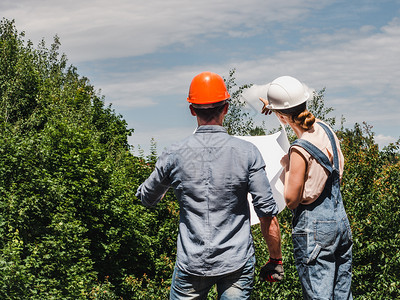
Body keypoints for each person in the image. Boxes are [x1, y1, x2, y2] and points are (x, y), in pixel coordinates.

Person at [136, 71, 284, 300]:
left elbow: (147, 197)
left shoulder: (174, 154)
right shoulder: (247, 153)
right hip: (236, 261)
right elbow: (267, 213)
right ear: (225, 108)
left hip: (192, 263)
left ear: (192, 110)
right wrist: (275, 260)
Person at [260, 75, 353, 299]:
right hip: (340, 221)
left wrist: (287, 166)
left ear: (282, 115)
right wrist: (276, 110)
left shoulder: (298, 150)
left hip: (314, 228)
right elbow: (302, 124)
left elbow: (291, 199)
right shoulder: (325, 129)